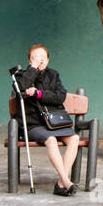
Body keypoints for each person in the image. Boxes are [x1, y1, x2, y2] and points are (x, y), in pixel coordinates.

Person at [13, 44, 81, 197]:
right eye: (35, 58)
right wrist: (33, 69)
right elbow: (21, 88)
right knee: (50, 140)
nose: (40, 60)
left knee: (74, 138)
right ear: (29, 60)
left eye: (42, 57)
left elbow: (60, 96)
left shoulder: (53, 74)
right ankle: (66, 181)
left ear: (48, 59)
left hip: (55, 121)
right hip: (34, 124)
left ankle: (60, 184)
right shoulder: (21, 76)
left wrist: (39, 94)